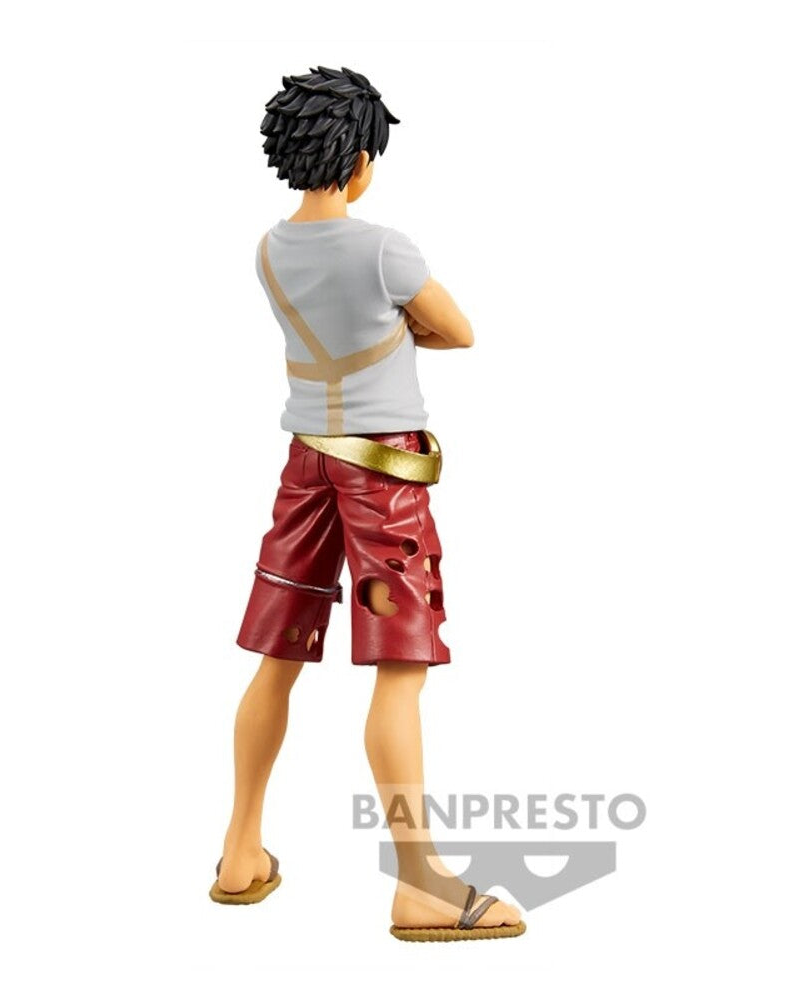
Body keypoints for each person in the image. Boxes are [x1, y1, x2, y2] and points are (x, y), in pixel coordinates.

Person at [209, 65, 526, 941]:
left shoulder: (269, 248)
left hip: (305, 465)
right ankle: (421, 882)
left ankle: (239, 851)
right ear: (358, 160)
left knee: (277, 658)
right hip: (383, 475)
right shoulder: (384, 248)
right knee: (399, 669)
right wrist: (405, 330)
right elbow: (458, 330)